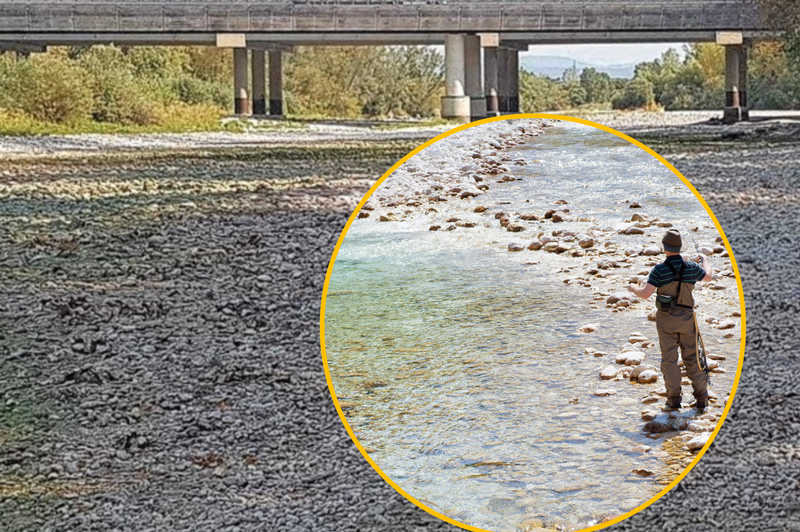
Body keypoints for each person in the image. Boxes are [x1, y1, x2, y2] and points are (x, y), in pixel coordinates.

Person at [626, 229, 713, 410]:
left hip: (666, 320)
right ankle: (702, 399)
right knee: (692, 357)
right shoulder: (691, 267)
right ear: (680, 248)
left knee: (669, 359)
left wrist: (633, 288)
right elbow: (709, 277)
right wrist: (705, 260)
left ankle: (673, 400)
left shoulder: (659, 270)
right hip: (688, 319)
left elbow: (645, 294)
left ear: (664, 249)